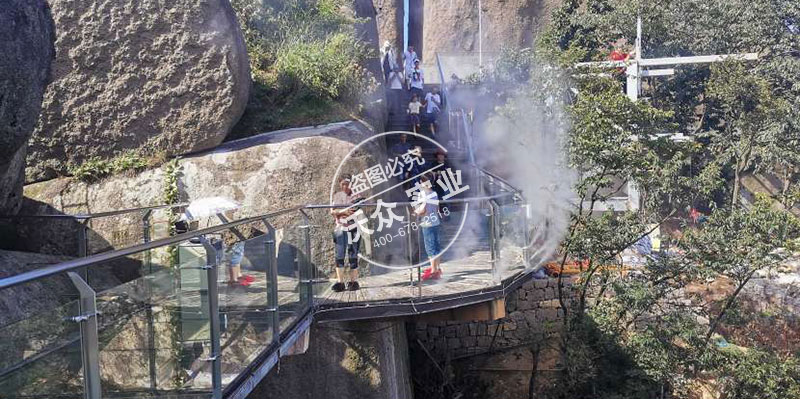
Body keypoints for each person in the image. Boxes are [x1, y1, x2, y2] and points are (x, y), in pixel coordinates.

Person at [331, 177, 363, 292]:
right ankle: (340, 282)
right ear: (340, 185)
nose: (345, 186)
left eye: (347, 184)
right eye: (343, 184)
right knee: (339, 255)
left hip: (354, 227)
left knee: (353, 255)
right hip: (341, 227)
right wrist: (343, 212)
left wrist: (354, 210)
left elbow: (361, 209)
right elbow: (332, 211)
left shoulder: (357, 195)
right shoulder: (337, 196)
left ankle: (353, 282)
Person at [220, 210, 263, 288]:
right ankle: (233, 279)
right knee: (235, 257)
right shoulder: (224, 213)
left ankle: (238, 275)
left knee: (239, 255)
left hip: (240, 234)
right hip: (233, 236)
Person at [415, 174, 442, 280]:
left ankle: (433, 271)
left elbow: (423, 210)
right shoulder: (434, 193)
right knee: (436, 246)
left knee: (430, 248)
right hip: (435, 221)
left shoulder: (422, 194)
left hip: (427, 223)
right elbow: (437, 208)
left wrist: (416, 213)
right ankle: (437, 268)